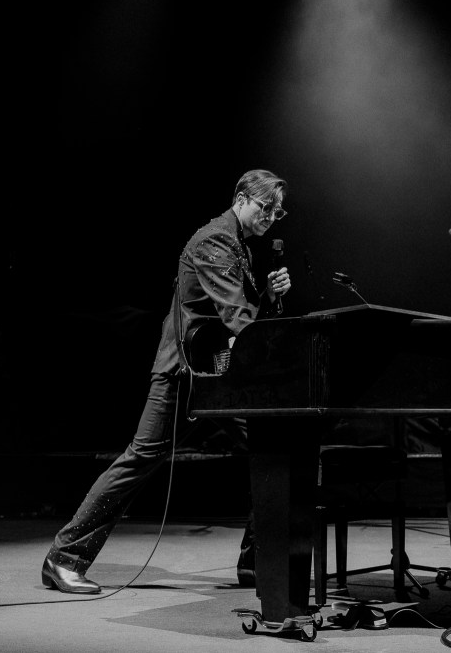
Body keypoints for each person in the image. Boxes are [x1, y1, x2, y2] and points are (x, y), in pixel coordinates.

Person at [41, 169, 292, 594]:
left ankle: (256, 562)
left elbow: (232, 316)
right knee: (141, 458)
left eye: (278, 211)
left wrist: (267, 297)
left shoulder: (240, 246)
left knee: (273, 450)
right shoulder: (217, 239)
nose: (270, 217)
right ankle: (63, 558)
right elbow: (236, 320)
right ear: (242, 197)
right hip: (185, 374)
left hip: (214, 373)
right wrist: (267, 330)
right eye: (266, 207)